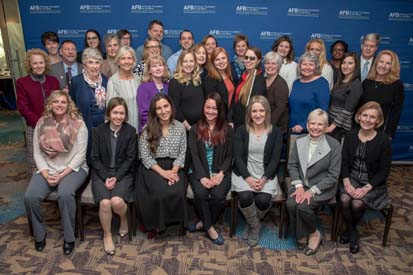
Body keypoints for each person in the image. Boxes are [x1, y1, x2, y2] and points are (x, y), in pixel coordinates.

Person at [24, 90, 88, 255]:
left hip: (74, 168)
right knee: (30, 197)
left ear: (68, 105)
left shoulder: (78, 124)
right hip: (47, 168)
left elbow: (81, 155)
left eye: (63, 102)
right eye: (56, 102)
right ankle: (39, 235)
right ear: (50, 105)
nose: (59, 105)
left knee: (65, 194)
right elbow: (37, 152)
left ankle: (69, 237)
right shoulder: (41, 123)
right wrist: (45, 173)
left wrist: (61, 175)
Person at [286, 109, 341, 255]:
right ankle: (302, 233)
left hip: (322, 187)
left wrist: (311, 191)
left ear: (326, 126)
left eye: (320, 124)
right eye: (312, 123)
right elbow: (292, 165)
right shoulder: (300, 141)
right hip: (301, 184)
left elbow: (333, 175)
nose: (315, 127)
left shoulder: (334, 145)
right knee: (291, 204)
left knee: (303, 207)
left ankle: (314, 233)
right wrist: (298, 186)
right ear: (308, 124)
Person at [339, 102, 391, 254]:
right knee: (344, 199)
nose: (368, 120)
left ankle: (351, 232)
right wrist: (346, 181)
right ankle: (353, 230)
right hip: (352, 177)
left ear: (378, 120)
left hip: (373, 182)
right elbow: (344, 161)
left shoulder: (384, 140)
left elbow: (384, 171)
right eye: (365, 115)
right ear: (359, 116)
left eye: (372, 117)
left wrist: (367, 187)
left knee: (356, 203)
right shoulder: (350, 135)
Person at [232, 96, 283, 247]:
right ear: (249, 113)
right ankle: (255, 226)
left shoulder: (276, 132)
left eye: (261, 110)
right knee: (246, 197)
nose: (258, 114)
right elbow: (238, 158)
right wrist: (248, 178)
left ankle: (251, 222)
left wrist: (264, 178)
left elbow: (275, 160)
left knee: (263, 201)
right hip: (244, 174)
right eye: (254, 111)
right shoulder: (241, 131)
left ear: (267, 112)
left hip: (265, 175)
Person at [136, 94, 188, 235]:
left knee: (177, 192)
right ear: (154, 111)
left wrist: (174, 171)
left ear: (171, 107)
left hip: (174, 166)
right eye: (159, 108)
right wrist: (164, 173)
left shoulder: (179, 127)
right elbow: (145, 157)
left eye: (166, 106)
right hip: (153, 167)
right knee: (159, 193)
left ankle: (175, 223)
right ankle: (155, 225)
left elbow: (182, 153)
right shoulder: (147, 129)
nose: (163, 111)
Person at [92, 97, 137, 255]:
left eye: (122, 113)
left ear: (126, 115)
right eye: (115, 112)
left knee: (117, 202)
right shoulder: (98, 131)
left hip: (122, 173)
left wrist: (116, 177)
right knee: (105, 203)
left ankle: (124, 220)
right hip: (101, 173)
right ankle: (107, 235)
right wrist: (106, 177)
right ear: (109, 113)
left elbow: (130, 159)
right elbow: (95, 158)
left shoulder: (131, 132)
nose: (118, 116)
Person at [188, 93, 233, 245]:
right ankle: (210, 228)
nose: (211, 111)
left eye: (215, 108)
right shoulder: (195, 129)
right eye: (208, 107)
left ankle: (202, 223)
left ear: (220, 110)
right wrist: (202, 177)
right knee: (200, 194)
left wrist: (220, 174)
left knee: (218, 196)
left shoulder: (227, 129)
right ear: (203, 108)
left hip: (220, 171)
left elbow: (230, 156)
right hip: (199, 171)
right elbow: (194, 156)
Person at [16, 48, 60, 174]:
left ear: (46, 63)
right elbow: (23, 108)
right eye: (34, 63)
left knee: (55, 155)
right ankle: (35, 185)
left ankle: (54, 180)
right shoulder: (22, 83)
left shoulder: (53, 81)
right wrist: (40, 124)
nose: (38, 66)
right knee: (35, 158)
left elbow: (59, 102)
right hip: (34, 126)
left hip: (54, 125)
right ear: (29, 65)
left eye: (41, 62)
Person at [69, 47, 108, 162]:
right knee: (87, 153)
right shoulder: (76, 82)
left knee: (102, 153)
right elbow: (72, 105)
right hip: (85, 123)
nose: (94, 66)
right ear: (84, 64)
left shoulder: (106, 81)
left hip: (103, 124)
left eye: (97, 62)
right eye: (90, 62)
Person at [359, 50, 404, 138]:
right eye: (381, 61)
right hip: (362, 129)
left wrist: (390, 134)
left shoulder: (396, 85)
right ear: (376, 63)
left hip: (381, 132)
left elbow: (396, 112)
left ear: (392, 66)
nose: (383, 66)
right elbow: (359, 108)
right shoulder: (367, 83)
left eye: (388, 63)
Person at [289, 53, 330, 135]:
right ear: (300, 66)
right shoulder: (296, 83)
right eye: (304, 64)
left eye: (311, 64)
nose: (307, 67)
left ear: (316, 67)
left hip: (311, 131)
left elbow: (322, 110)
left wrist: (303, 126)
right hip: (292, 129)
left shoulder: (322, 83)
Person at [327, 52, 362, 141]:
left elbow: (347, 110)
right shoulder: (339, 81)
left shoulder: (356, 84)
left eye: (350, 63)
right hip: (331, 122)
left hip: (340, 128)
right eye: (344, 63)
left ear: (356, 66)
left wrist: (332, 127)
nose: (345, 66)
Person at [229, 47, 266, 129]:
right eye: (246, 57)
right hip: (236, 121)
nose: (248, 60)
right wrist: (230, 119)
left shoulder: (259, 81)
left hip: (246, 125)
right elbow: (235, 99)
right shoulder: (243, 75)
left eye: (252, 58)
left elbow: (254, 108)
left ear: (258, 61)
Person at [107, 46, 141, 131]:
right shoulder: (113, 81)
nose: (126, 62)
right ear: (118, 61)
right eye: (123, 58)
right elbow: (111, 110)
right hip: (121, 130)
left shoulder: (138, 80)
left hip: (138, 127)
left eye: (129, 58)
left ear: (133, 60)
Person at [168, 49, 204, 130]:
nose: (188, 64)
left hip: (199, 127)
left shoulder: (198, 81)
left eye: (191, 61)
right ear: (180, 63)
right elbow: (175, 108)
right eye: (185, 61)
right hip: (184, 128)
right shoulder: (174, 82)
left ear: (195, 63)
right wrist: (188, 127)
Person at [137, 55, 169, 133]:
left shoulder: (168, 85)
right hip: (151, 129)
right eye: (154, 66)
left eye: (160, 65)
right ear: (149, 70)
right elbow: (144, 113)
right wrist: (159, 125)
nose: (158, 68)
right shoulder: (143, 87)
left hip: (168, 127)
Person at [263, 51, 289, 133]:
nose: (270, 66)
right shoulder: (262, 80)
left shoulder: (281, 84)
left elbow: (280, 109)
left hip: (275, 127)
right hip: (262, 124)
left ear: (279, 66)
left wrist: (267, 125)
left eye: (273, 64)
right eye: (267, 63)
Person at [203, 47, 234, 113]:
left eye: (223, 58)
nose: (221, 62)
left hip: (229, 117)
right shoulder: (210, 80)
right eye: (217, 59)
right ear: (213, 62)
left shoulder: (229, 76)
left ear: (227, 59)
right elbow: (211, 106)